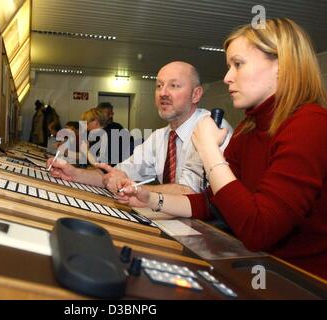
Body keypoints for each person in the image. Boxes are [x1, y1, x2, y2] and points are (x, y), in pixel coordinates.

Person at [117, 18, 327, 279]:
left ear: (282, 66)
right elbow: (214, 203)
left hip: (303, 281)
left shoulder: (311, 124)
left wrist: (209, 151)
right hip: (258, 268)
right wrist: (153, 199)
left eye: (238, 64)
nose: (227, 78)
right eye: (229, 66)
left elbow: (259, 228)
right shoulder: (248, 128)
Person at [48, 61, 233, 194]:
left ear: (196, 94)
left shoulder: (213, 128)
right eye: (159, 85)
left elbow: (191, 191)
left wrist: (135, 189)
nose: (163, 93)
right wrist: (74, 174)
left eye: (174, 86)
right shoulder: (160, 137)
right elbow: (121, 172)